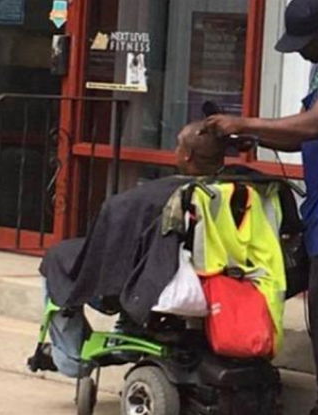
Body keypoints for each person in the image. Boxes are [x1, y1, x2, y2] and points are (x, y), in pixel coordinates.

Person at [204, 0, 318, 412]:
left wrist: (245, 122)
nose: (300, 52)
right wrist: (251, 139)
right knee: (281, 277)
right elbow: (297, 136)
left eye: (304, 43)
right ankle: (241, 365)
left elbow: (316, 124)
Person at [38, 121, 225, 377]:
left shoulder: (146, 199)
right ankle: (130, 325)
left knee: (58, 258)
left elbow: (108, 247)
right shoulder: (232, 189)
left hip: (156, 275)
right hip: (203, 266)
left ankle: (71, 358)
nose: (175, 150)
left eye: (178, 145)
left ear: (187, 155)